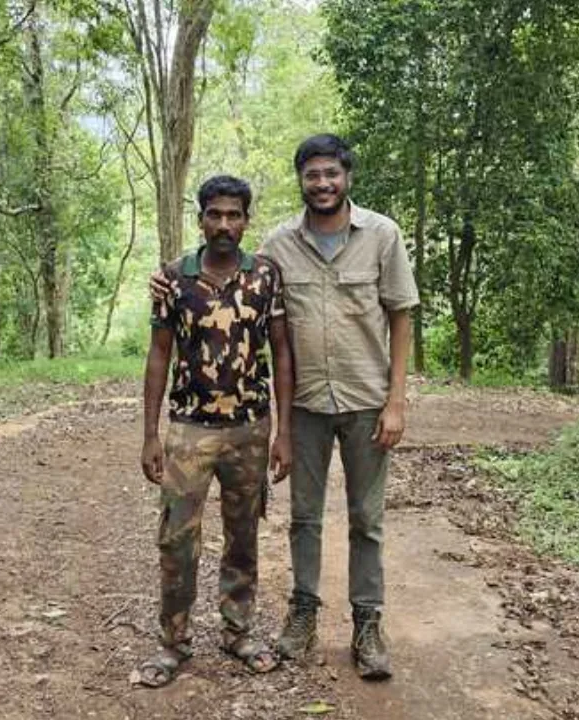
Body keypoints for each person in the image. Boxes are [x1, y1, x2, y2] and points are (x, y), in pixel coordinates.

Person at [151, 134, 418, 680]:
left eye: (331, 174)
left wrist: (397, 400)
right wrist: (165, 275)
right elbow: (211, 295)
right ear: (301, 180)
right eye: (312, 175)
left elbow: (399, 315)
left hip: (365, 399)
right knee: (302, 519)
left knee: (365, 521)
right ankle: (299, 615)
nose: (322, 184)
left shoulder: (381, 236)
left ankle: (366, 625)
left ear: (347, 177)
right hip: (301, 407)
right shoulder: (277, 246)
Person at [137, 174, 295, 688]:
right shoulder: (173, 278)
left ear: (247, 220)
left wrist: (284, 431)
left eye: (234, 215)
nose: (224, 224)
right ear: (200, 218)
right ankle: (173, 642)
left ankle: (238, 632)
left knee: (243, 537)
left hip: (250, 428)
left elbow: (282, 352)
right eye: (215, 214)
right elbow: (159, 355)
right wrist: (150, 434)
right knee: (177, 539)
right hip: (188, 430)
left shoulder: (265, 276)